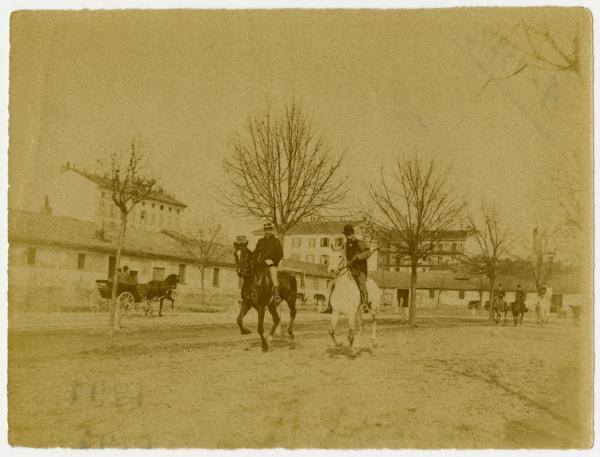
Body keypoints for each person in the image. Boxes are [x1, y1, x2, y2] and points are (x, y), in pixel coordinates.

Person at [254, 222, 284, 304]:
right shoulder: (260, 241)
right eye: (266, 230)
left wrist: (272, 261)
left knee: (274, 278)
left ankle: (277, 295)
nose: (268, 232)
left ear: (272, 231)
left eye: (269, 230)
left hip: (272, 264)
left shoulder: (276, 241)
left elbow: (280, 254)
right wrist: (254, 259)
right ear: (264, 231)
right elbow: (256, 252)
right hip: (261, 263)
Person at [343, 224, 371, 310]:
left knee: (361, 283)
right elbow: (344, 256)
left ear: (353, 233)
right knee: (336, 282)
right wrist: (347, 263)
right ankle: (330, 305)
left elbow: (368, 253)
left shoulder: (360, 243)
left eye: (350, 234)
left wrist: (357, 258)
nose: (348, 236)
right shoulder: (345, 245)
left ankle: (365, 303)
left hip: (360, 269)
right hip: (349, 268)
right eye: (347, 235)